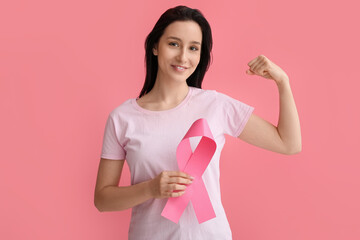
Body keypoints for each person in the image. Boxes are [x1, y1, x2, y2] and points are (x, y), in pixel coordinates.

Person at [94, 5, 301, 240]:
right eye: (174, 44)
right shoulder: (122, 118)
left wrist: (283, 82)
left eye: (193, 48)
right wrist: (150, 188)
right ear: (155, 46)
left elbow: (289, 143)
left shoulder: (215, 105)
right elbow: (102, 200)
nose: (183, 56)